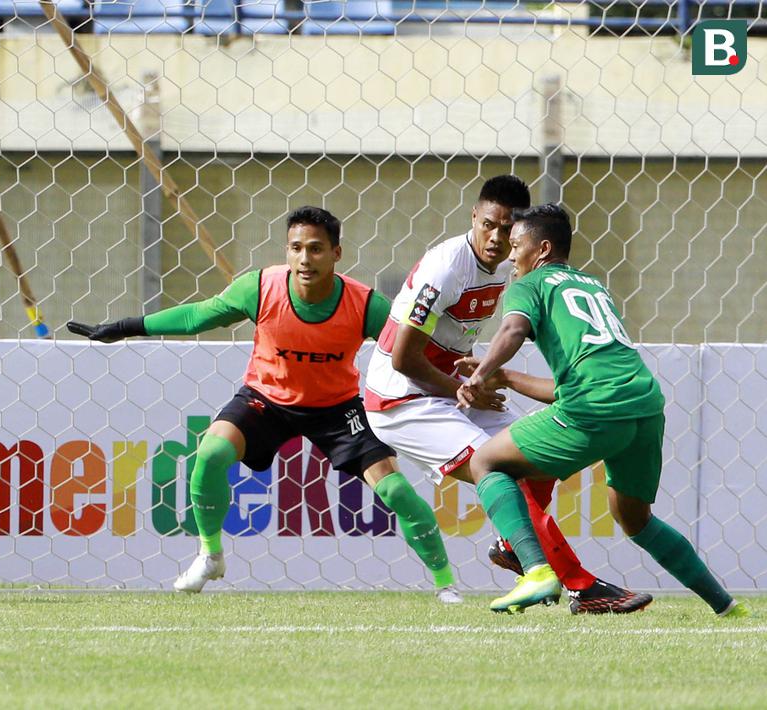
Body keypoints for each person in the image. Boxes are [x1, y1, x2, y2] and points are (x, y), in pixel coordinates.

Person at [68, 206, 462, 601]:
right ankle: (210, 554)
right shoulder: (259, 288)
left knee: (396, 492)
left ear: (337, 254)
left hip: (337, 409)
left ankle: (445, 585)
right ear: (286, 251)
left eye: (316, 249)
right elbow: (195, 318)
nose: (305, 259)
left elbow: (416, 351)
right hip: (265, 401)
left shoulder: (364, 304)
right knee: (209, 454)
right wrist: (123, 328)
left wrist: (460, 384)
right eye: (296, 248)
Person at [365, 176, 650, 614]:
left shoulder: (508, 266)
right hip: (401, 399)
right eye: (488, 226)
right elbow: (403, 358)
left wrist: (471, 376)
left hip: (450, 389)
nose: (496, 239)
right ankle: (579, 584)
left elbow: (456, 335)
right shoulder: (447, 266)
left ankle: (512, 545)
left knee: (539, 455)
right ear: (474, 217)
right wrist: (467, 388)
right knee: (494, 468)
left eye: (506, 230)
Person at [459, 203, 745, 616]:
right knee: (634, 517)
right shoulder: (592, 286)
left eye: (516, 246)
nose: (509, 255)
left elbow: (513, 329)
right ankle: (727, 606)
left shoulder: (531, 283)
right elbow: (574, 383)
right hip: (644, 404)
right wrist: (506, 378)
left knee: (487, 462)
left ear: (541, 249)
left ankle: (536, 569)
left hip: (595, 406)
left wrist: (480, 373)